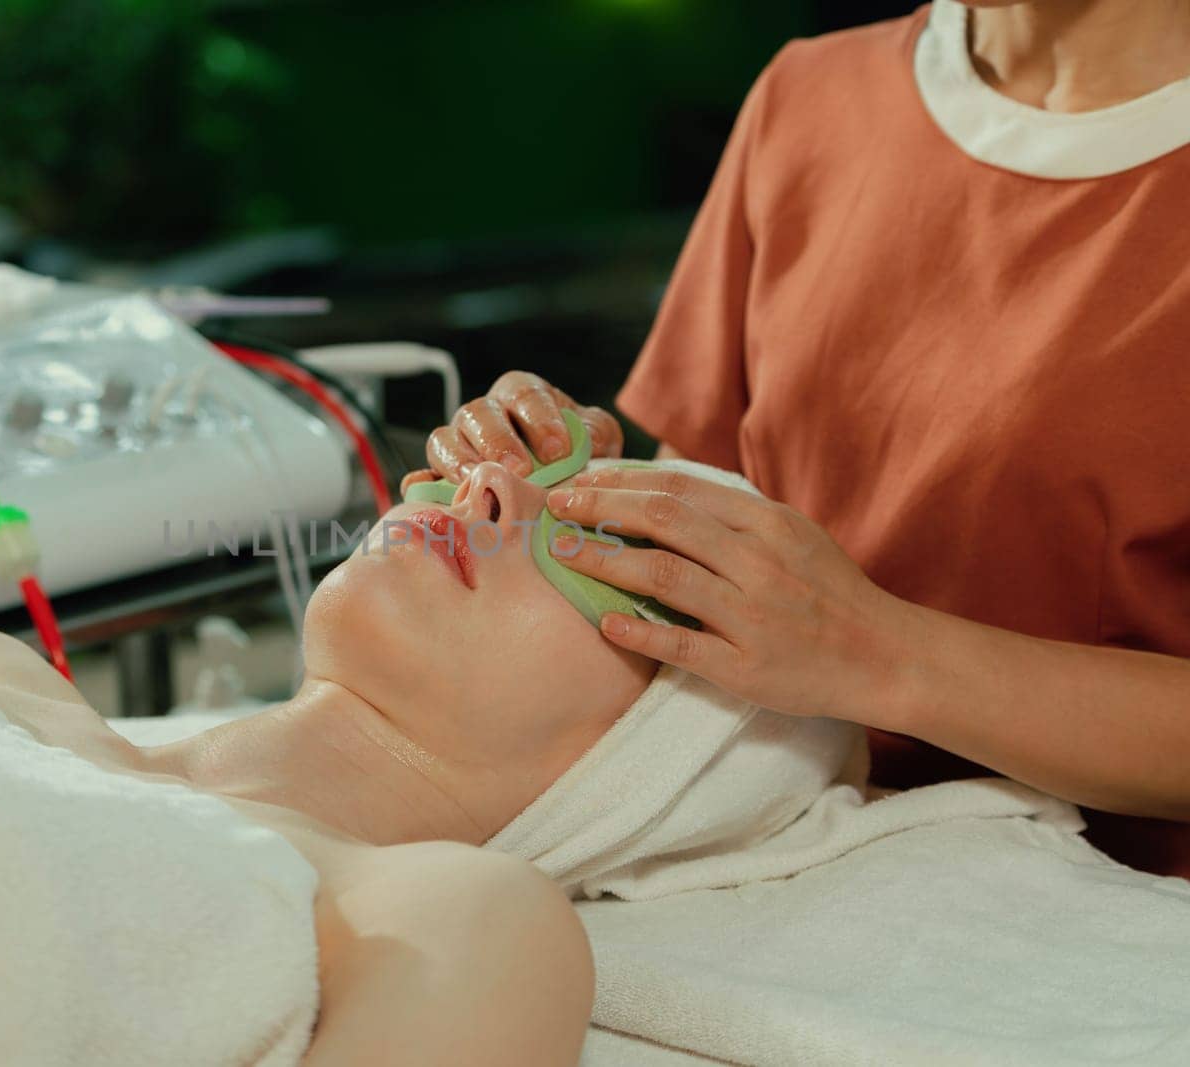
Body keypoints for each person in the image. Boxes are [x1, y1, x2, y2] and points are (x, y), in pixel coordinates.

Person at [410, 0, 1190, 878]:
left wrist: (877, 653)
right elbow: (697, 540)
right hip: (783, 873)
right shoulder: (810, 96)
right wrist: (568, 497)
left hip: (1118, 924)